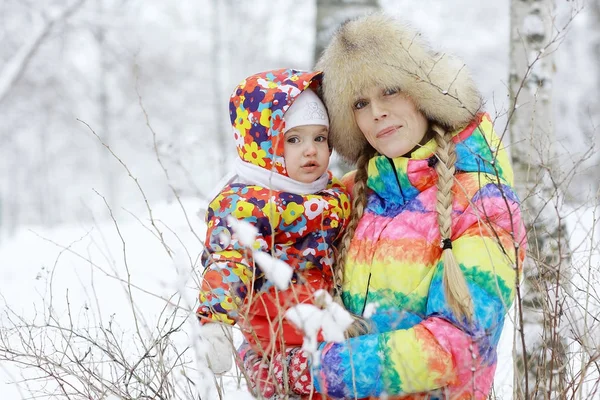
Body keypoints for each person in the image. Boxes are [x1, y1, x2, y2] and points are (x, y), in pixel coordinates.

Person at [251, 13, 528, 399]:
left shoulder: (484, 203)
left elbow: (457, 347)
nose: (377, 111)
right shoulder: (344, 197)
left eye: (391, 90)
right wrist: (261, 348)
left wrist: (314, 371)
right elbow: (276, 278)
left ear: (424, 93)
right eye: (360, 102)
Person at [196, 69, 351, 397]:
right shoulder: (248, 205)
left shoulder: (334, 195)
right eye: (294, 139)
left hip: (331, 335)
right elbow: (229, 261)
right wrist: (216, 323)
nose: (310, 150)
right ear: (264, 146)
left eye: (319, 138)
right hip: (275, 349)